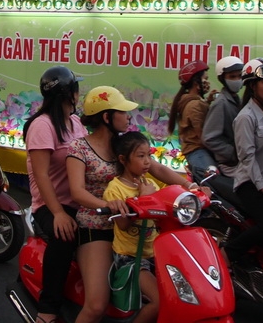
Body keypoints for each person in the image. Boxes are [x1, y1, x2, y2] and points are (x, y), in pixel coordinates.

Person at [67, 86, 192, 323]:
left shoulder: (123, 146)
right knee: (96, 305)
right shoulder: (79, 148)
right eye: (123, 112)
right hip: (99, 228)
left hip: (136, 224)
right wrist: (109, 204)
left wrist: (190, 188)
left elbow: (159, 169)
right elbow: (77, 192)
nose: (128, 117)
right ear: (106, 117)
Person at [24, 66, 85, 323]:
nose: (79, 94)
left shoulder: (76, 122)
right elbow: (41, 175)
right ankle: (47, 310)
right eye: (76, 89)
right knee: (65, 236)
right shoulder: (42, 125)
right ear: (66, 94)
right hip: (50, 204)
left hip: (78, 200)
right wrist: (58, 213)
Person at [224, 57, 263, 263]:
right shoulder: (245, 118)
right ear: (252, 85)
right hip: (250, 182)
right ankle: (226, 254)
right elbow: (247, 158)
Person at [103, 132, 165, 323]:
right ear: (123, 159)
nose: (147, 161)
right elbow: (122, 224)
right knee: (160, 301)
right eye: (140, 156)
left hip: (154, 253)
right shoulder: (115, 189)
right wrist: (142, 199)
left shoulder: (151, 183)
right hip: (130, 257)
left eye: (149, 155)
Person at [168, 60, 218, 181]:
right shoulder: (195, 105)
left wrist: (208, 101)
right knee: (213, 184)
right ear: (196, 82)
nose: (207, 82)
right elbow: (203, 134)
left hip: (196, 153)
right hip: (199, 153)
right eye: (205, 78)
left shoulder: (192, 100)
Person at [202, 56, 245, 177]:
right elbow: (209, 138)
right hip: (229, 165)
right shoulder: (221, 103)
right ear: (222, 79)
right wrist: (233, 153)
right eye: (232, 77)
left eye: (239, 76)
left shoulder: (237, 100)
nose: (237, 80)